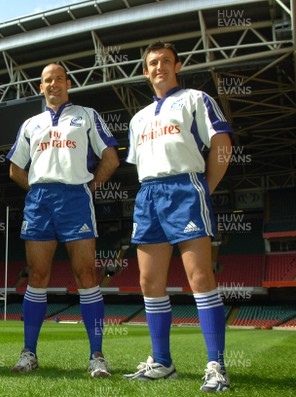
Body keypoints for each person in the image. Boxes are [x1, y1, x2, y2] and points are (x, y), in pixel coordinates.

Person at [123, 42, 232, 392]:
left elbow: (222, 144)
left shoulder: (196, 99)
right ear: (145, 70)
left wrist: (205, 187)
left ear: (177, 65)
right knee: (148, 281)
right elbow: (139, 164)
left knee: (199, 277)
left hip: (186, 187)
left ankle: (216, 364)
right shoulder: (138, 118)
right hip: (149, 194)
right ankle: (162, 362)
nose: (159, 68)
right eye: (152, 63)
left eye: (165, 62)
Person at [6, 63, 120, 376]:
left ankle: (96, 356)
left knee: (86, 274)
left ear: (67, 83)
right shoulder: (31, 123)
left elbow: (111, 157)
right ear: (40, 87)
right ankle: (29, 353)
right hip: (40, 201)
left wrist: (90, 185)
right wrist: (39, 186)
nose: (53, 84)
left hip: (75, 199)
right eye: (47, 80)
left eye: (58, 78)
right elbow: (15, 168)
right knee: (37, 275)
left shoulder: (86, 115)